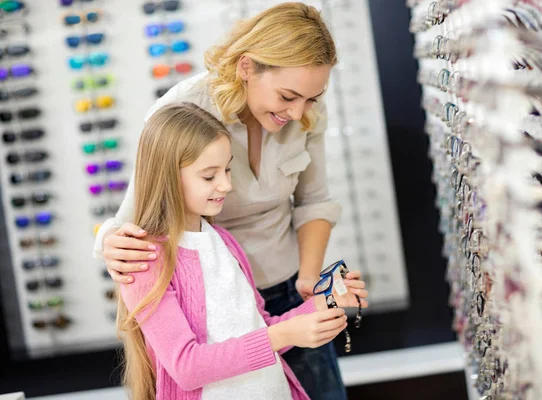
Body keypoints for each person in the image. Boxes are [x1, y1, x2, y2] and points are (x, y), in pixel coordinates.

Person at [95, 3, 363, 398]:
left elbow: (314, 201)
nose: (298, 111)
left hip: (284, 291)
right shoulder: (182, 112)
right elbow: (136, 218)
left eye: (312, 99)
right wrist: (110, 245)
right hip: (206, 310)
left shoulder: (305, 112)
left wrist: (311, 283)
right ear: (247, 67)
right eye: (288, 96)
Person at [117, 102, 368, 400]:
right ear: (166, 175)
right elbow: (186, 367)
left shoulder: (224, 241)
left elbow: (259, 327)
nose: (226, 184)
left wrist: (324, 303)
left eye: (227, 169)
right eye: (209, 176)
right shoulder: (145, 261)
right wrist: (283, 335)